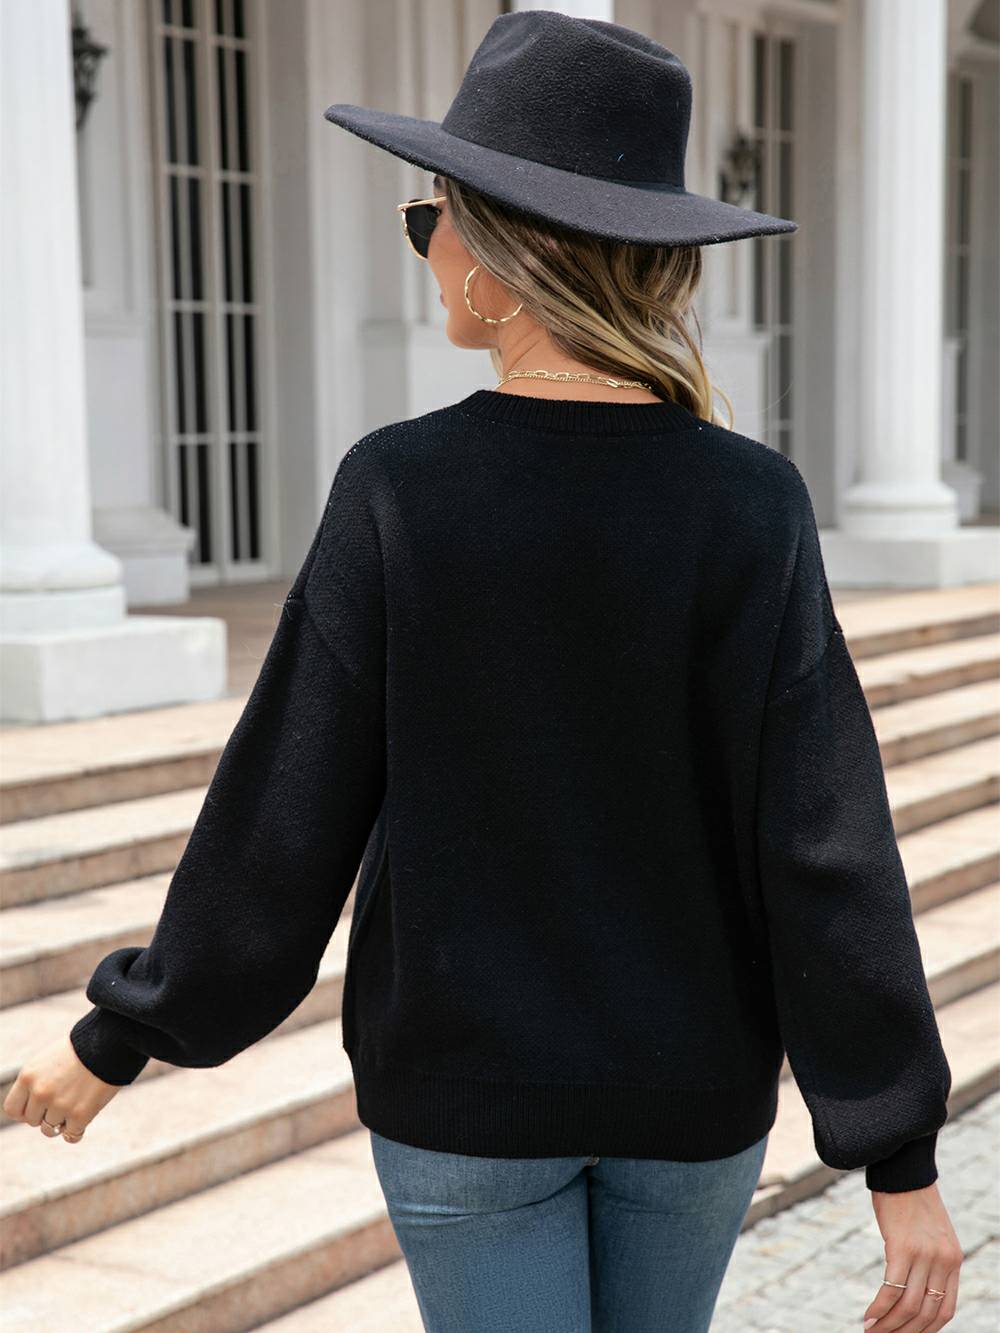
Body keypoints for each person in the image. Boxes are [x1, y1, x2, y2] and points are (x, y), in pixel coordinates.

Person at [5, 11, 963, 1332]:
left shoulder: (401, 491)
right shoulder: (752, 504)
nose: (425, 250)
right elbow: (824, 845)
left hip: (464, 1095)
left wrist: (122, 1035)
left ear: (507, 258)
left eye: (430, 220)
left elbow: (285, 820)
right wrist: (898, 1156)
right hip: (691, 1094)